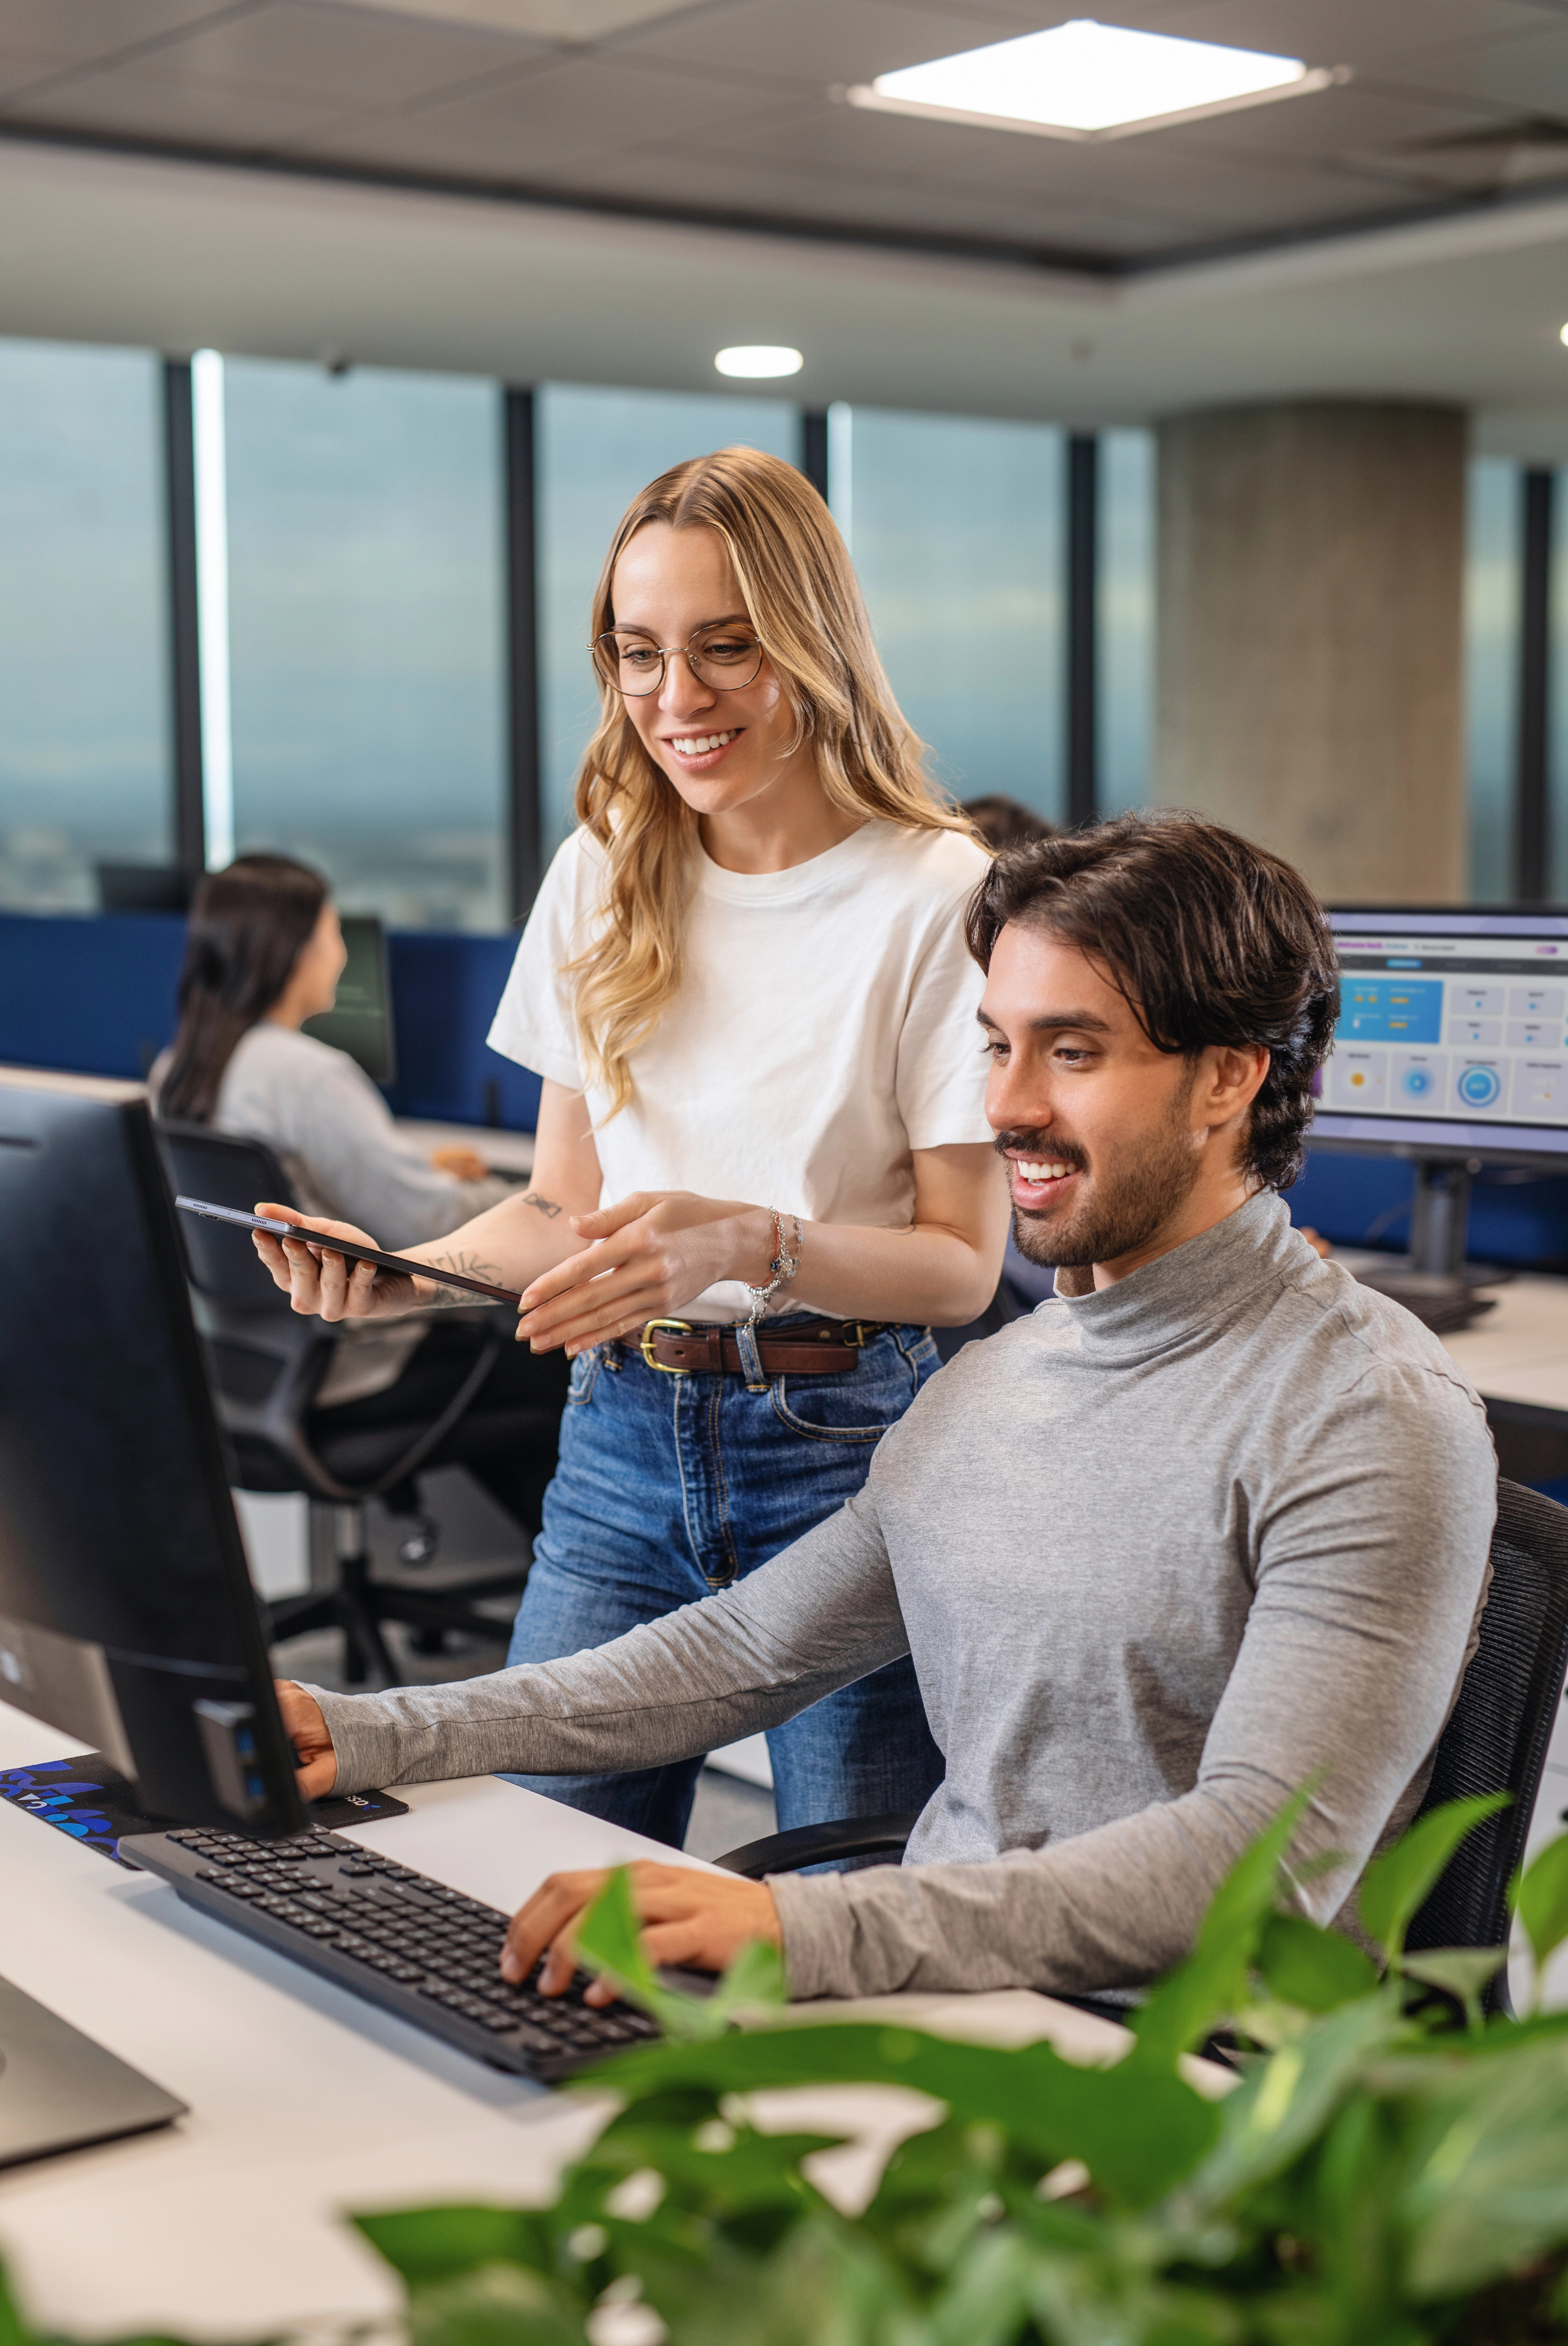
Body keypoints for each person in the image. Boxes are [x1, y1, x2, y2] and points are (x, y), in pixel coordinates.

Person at [272, 812, 1496, 2009]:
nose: (1006, 1108)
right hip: (947, 2007)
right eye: (997, 1047)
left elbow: (1265, 1868)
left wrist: (804, 1928)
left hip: (1177, 2092)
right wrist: (369, 1730)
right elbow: (744, 1653)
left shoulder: (1366, 1413)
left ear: (1228, 1075)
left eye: (1071, 1054)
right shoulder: (996, 1382)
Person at [255, 446, 1009, 1846]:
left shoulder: (934, 893)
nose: (675, 699)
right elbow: (558, 1205)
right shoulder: (604, 860)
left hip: (843, 1448)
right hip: (619, 1443)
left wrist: (750, 1244)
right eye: (638, 654)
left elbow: (963, 1268)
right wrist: (411, 1273)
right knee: (540, 1874)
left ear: (814, 644)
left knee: (837, 1899)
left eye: (724, 649)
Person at [155, 854, 563, 1528]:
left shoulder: (180, 1067)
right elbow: (422, 1219)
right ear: (296, 949)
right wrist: (525, 1192)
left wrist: (420, 1168)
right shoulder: (308, 1074)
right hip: (353, 1358)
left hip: (245, 1364)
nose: (341, 953)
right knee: (559, 1366)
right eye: (333, 932)